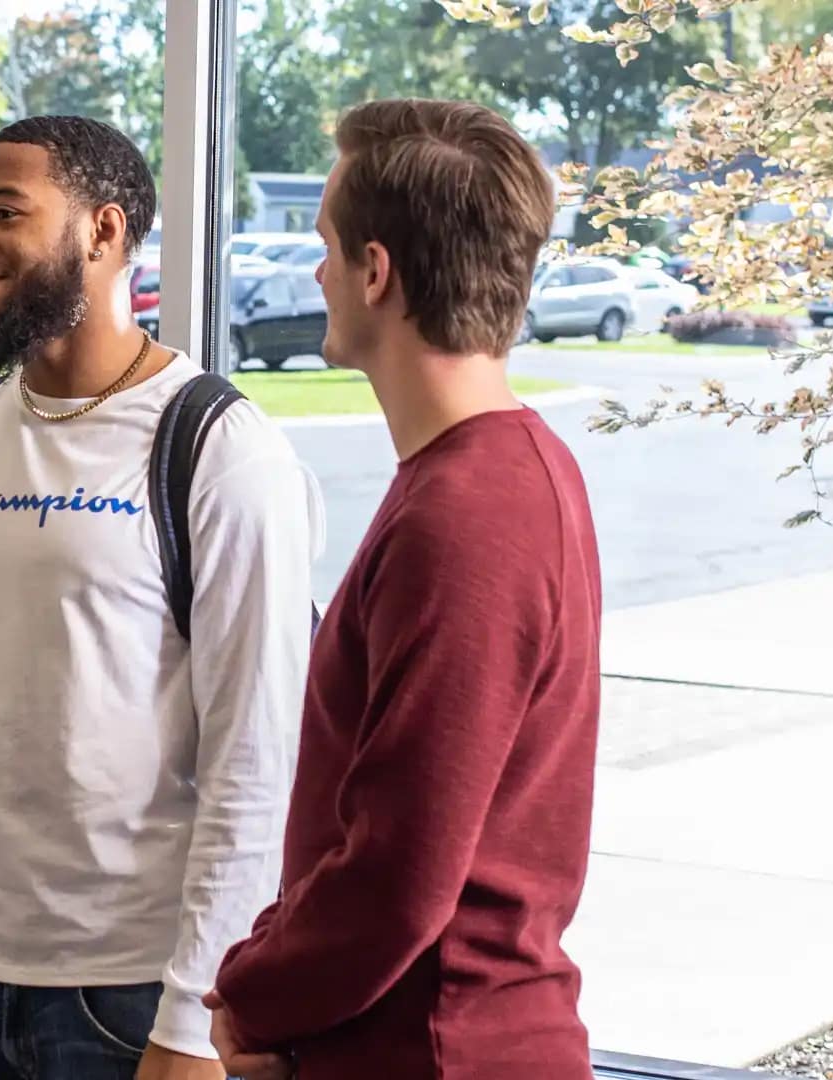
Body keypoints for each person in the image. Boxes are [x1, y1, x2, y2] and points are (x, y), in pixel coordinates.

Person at [0, 115, 322, 1080]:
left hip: (129, 994)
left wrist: (193, 1017)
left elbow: (257, 755)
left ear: (103, 232)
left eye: (6, 214)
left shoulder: (217, 447)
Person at [205, 98, 602, 1080]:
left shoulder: (467, 519)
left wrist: (246, 1000)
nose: (316, 274)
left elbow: (399, 881)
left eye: (326, 247)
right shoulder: (497, 473)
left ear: (375, 271)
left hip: (444, 1051)